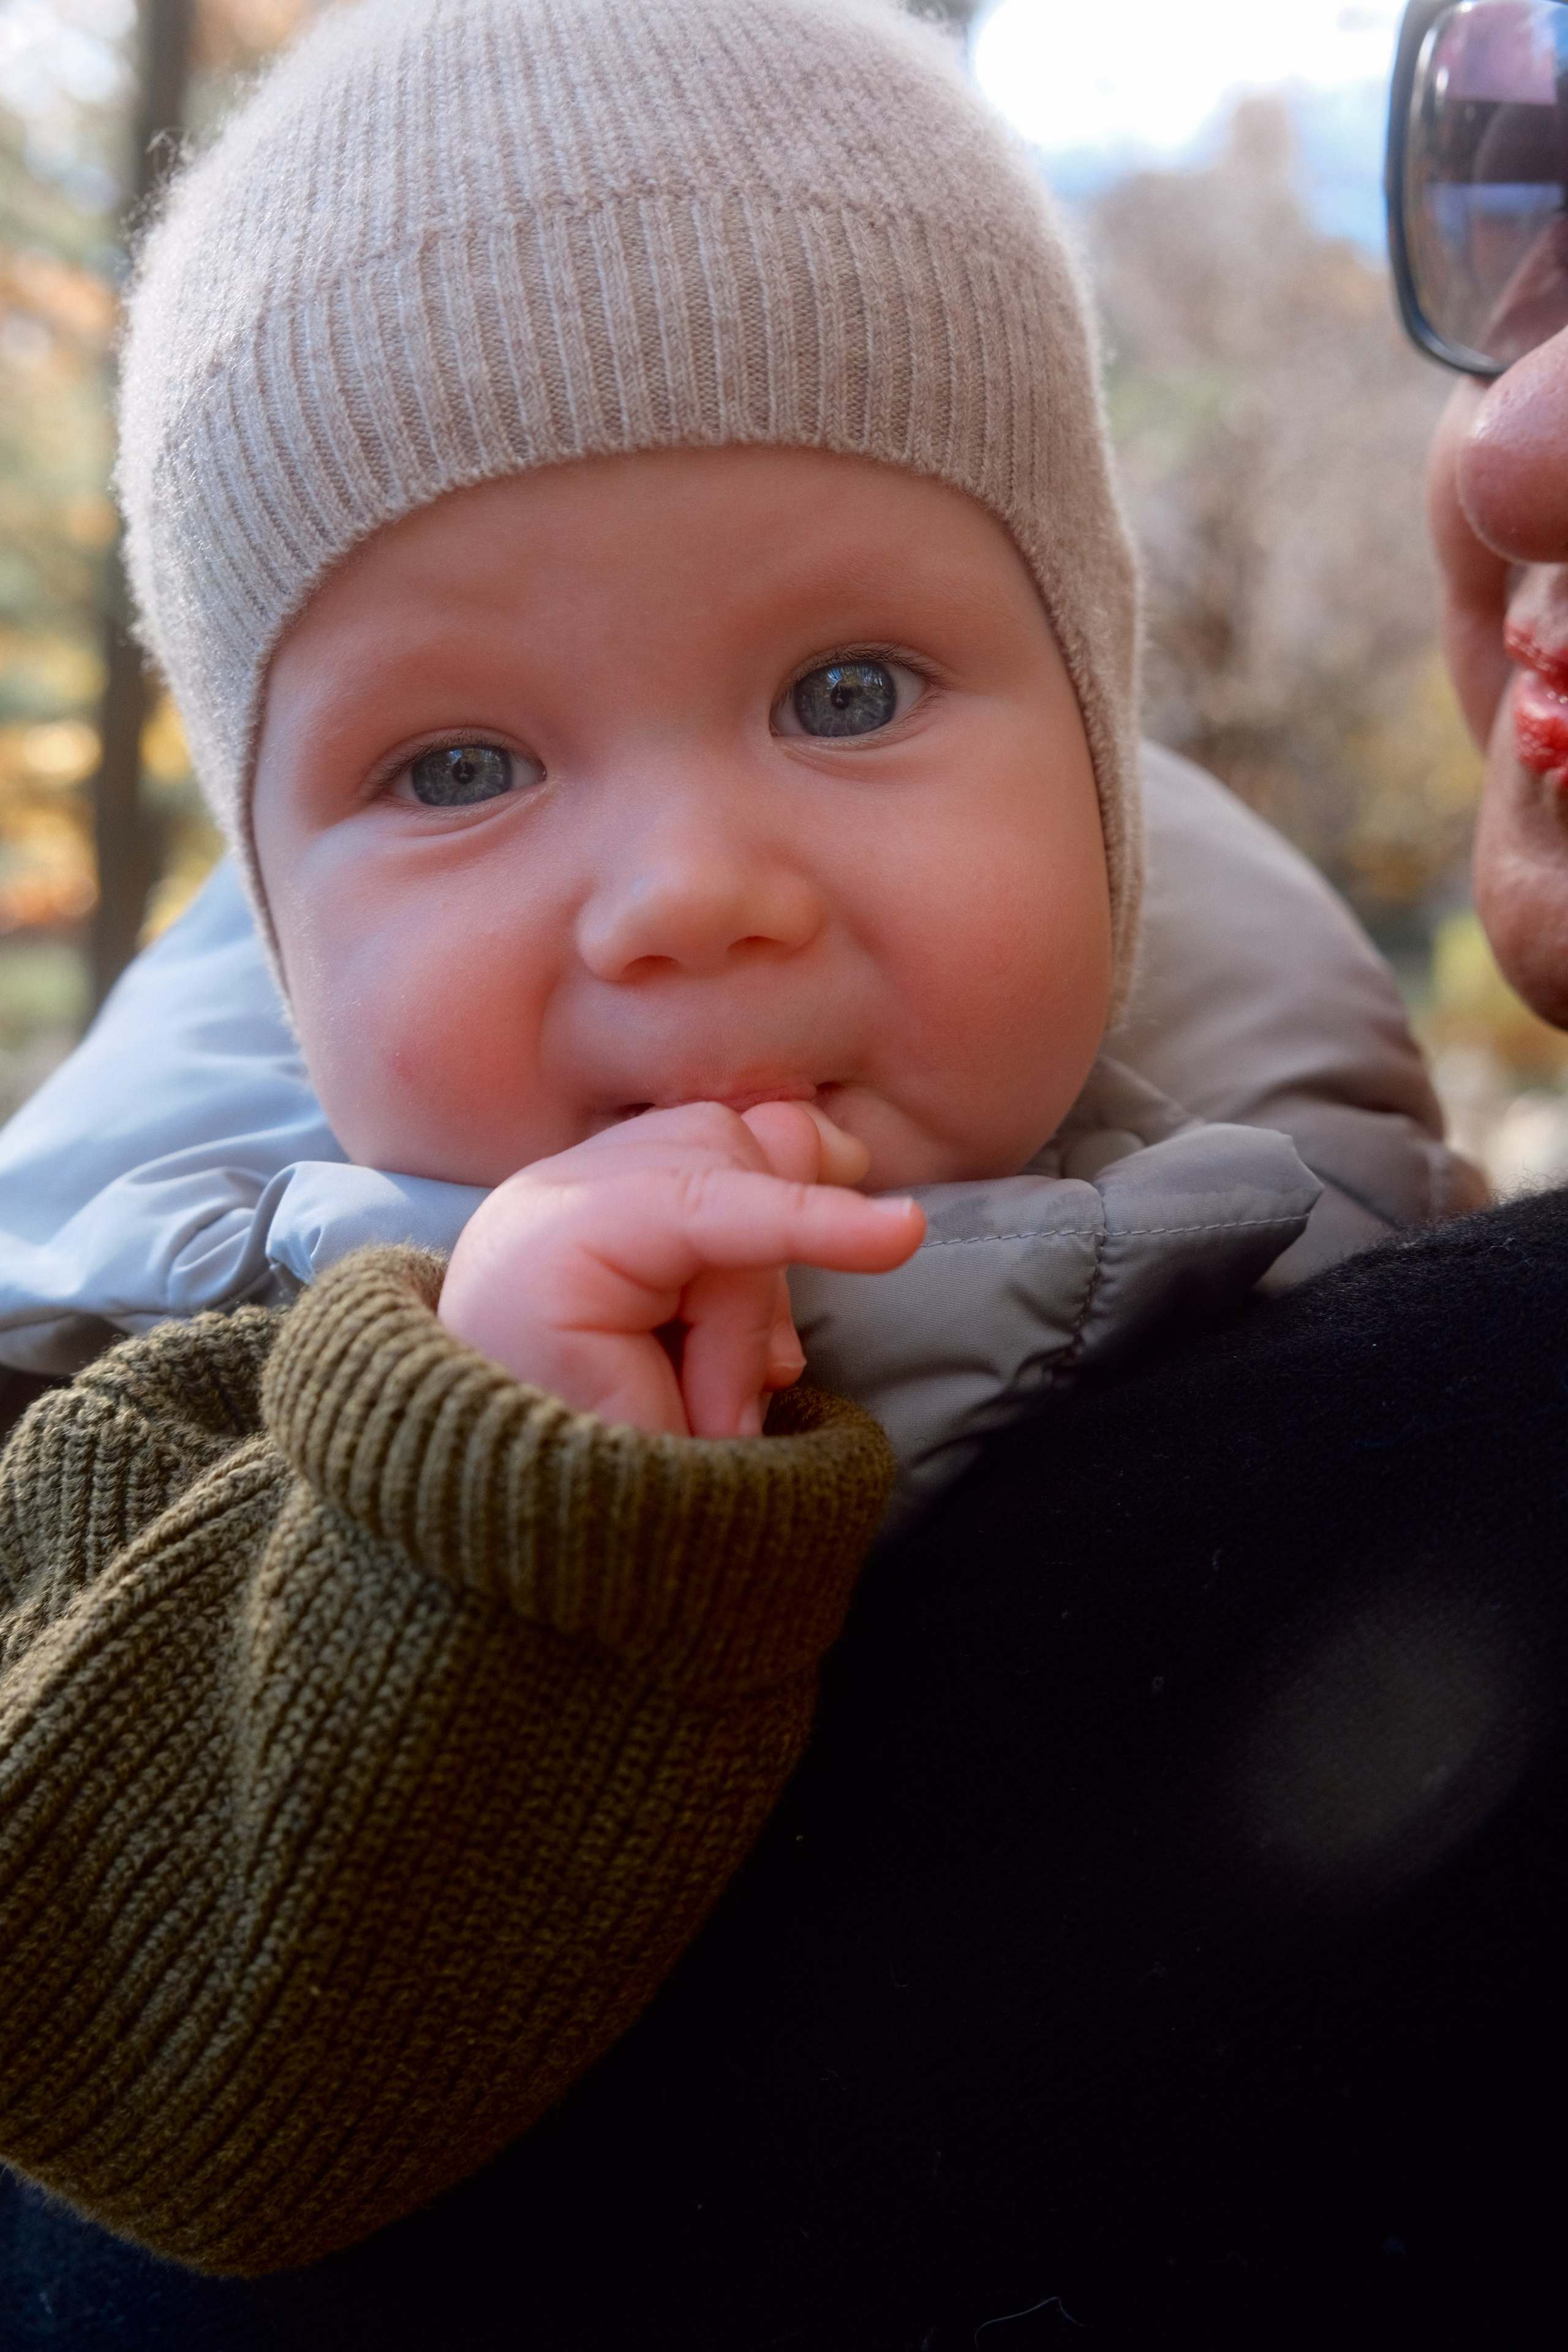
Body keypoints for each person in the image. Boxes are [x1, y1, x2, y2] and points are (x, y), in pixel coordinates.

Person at [0, 5, 1557, 2348]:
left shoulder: (1332, 1252)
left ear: (1101, 771)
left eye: (846, 693)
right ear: (274, 922)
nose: (688, 892)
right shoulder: (155, 1410)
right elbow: (158, 2107)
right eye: (453, 765)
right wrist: (477, 1495)